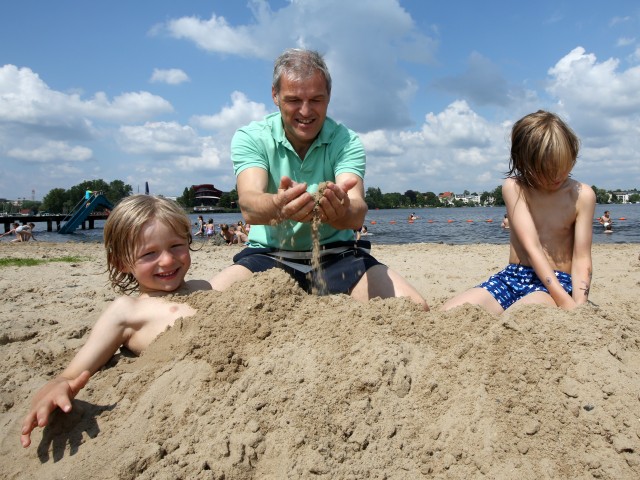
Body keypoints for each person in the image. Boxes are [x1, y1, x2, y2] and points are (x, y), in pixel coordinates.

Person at [209, 48, 427, 310]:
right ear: (275, 95)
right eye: (293, 100)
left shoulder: (346, 141)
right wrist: (279, 205)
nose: (305, 111)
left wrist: (341, 209)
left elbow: (357, 211)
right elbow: (249, 204)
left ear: (329, 97)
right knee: (207, 309)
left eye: (316, 99)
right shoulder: (252, 137)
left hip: (338, 256)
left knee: (414, 307)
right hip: (267, 255)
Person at [20, 195, 213, 448]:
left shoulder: (203, 286)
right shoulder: (127, 310)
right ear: (122, 263)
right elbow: (72, 372)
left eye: (176, 245)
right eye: (149, 253)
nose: (167, 260)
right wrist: (58, 387)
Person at [442, 110, 595, 314]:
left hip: (557, 281)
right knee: (450, 313)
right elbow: (531, 247)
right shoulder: (515, 187)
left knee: (523, 314)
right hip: (513, 277)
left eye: (563, 165)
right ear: (524, 163)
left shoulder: (582, 195)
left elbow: (582, 257)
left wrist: (577, 304)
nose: (557, 176)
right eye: (546, 170)